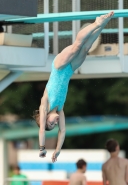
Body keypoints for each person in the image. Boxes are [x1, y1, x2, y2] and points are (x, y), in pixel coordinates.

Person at [33, 11, 114, 162]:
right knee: (86, 48)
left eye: (50, 123)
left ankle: (96, 22)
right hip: (69, 70)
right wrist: (57, 151)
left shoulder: (45, 104)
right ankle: (102, 25)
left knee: (77, 46)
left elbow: (41, 131)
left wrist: (42, 148)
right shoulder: (60, 109)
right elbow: (62, 131)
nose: (55, 122)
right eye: (54, 124)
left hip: (58, 67)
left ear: (45, 119)